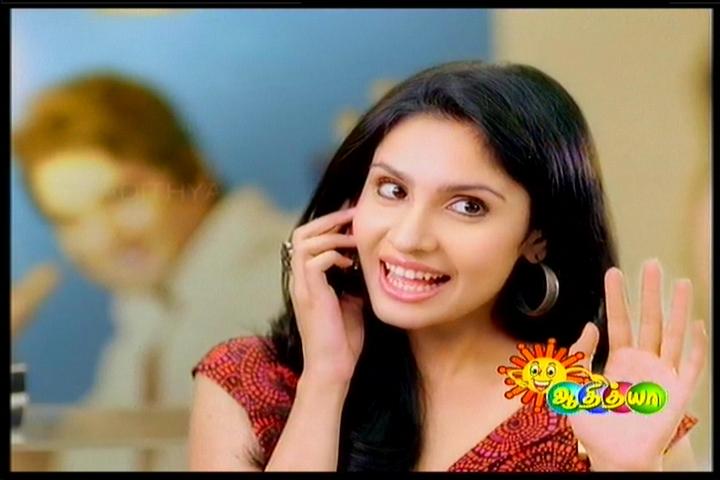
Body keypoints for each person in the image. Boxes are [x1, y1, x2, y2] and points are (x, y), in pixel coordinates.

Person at [188, 61, 707, 472]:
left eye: (467, 206)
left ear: (537, 238)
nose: (409, 238)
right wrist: (325, 380)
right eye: (392, 190)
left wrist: (627, 469)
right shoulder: (252, 380)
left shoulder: (605, 410)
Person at [11, 73, 296, 470]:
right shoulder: (147, 316)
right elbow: (59, 466)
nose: (104, 239)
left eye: (122, 196)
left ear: (192, 170)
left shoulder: (299, 279)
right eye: (70, 220)